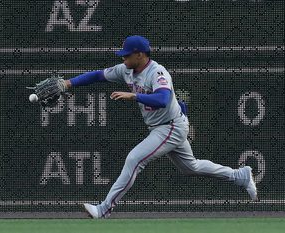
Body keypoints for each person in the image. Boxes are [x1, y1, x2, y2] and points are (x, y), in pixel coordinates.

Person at [63, 35, 258, 218]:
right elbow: (98, 75)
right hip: (164, 125)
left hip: (170, 126)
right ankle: (239, 175)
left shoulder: (157, 72)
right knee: (191, 167)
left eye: (127, 55)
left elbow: (163, 99)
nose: (123, 58)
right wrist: (69, 83)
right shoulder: (126, 70)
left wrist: (134, 95)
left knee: (134, 159)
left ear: (140, 55)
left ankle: (104, 208)